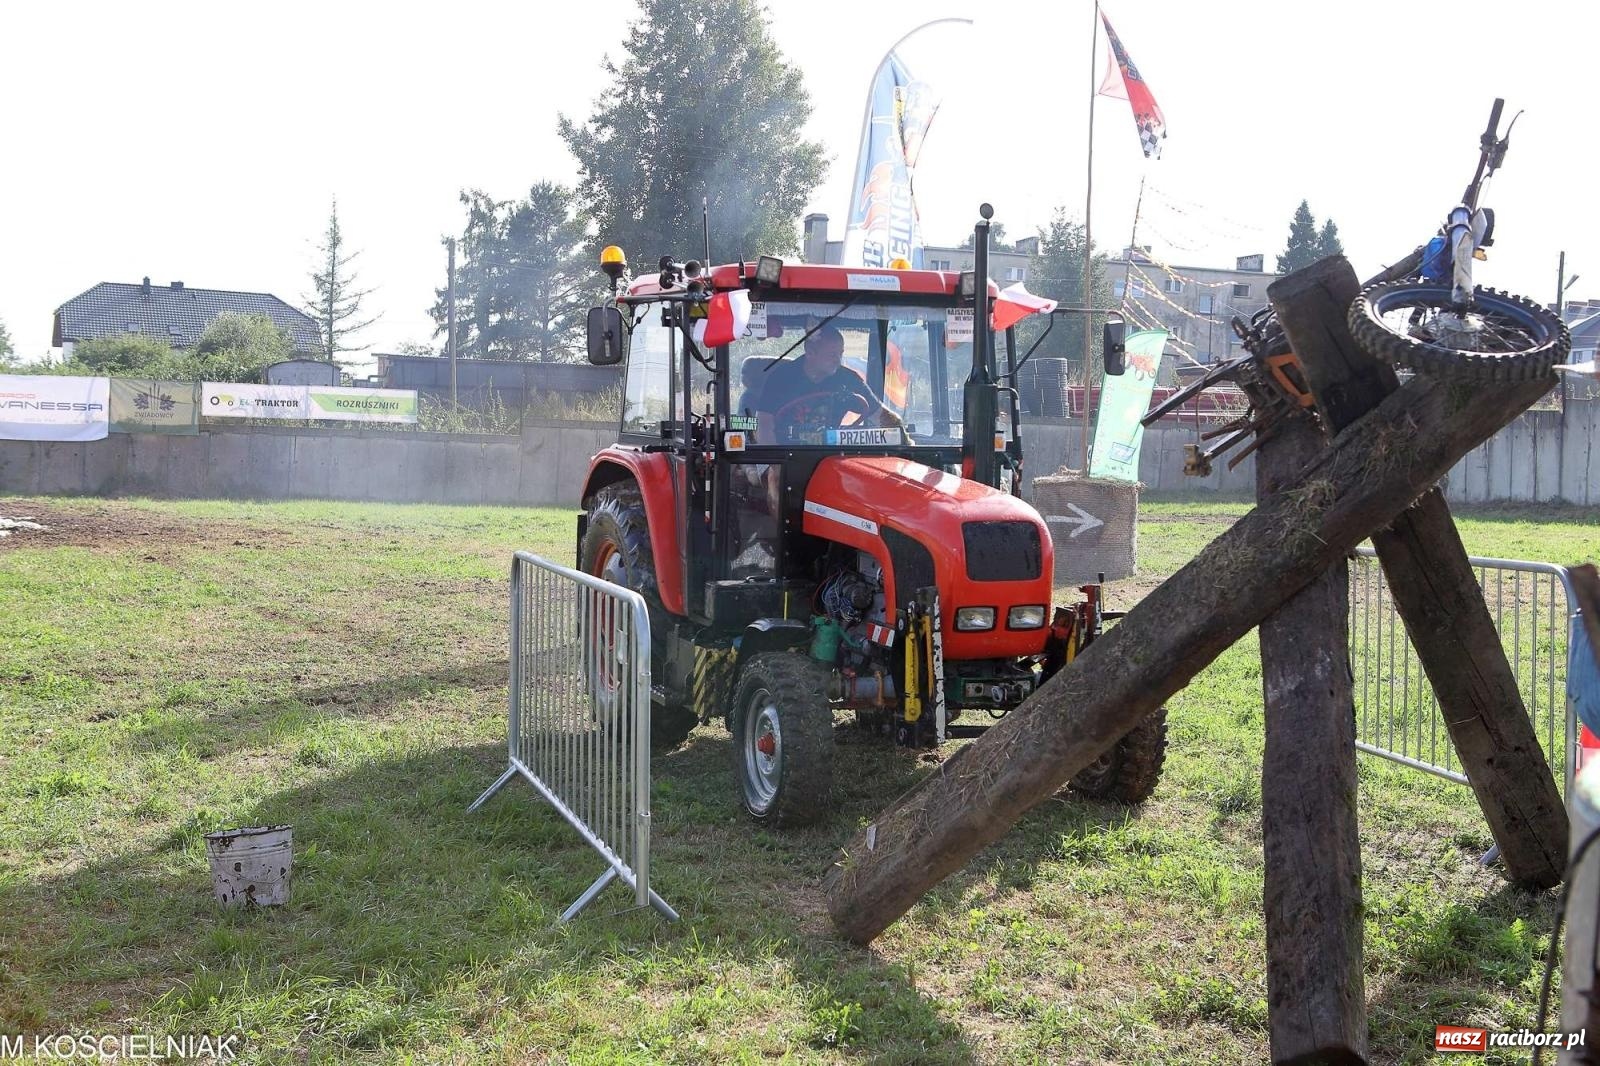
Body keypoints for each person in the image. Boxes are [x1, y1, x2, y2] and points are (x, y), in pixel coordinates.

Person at [753, 325, 901, 444]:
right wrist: (772, 465)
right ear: (810, 353)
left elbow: (880, 416)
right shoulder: (781, 379)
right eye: (832, 355)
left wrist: (903, 439)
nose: (838, 360)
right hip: (786, 455)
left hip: (831, 454)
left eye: (840, 354)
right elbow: (764, 425)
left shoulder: (848, 379)